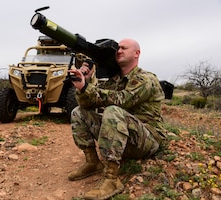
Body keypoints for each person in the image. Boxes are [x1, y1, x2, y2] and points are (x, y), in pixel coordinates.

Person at [68, 38, 166, 200]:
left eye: (124, 48)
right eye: (117, 48)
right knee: (78, 112)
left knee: (113, 110)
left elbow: (123, 100)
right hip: (125, 137)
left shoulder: (146, 79)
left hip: (147, 139)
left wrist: (88, 88)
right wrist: (85, 81)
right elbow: (89, 102)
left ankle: (112, 178)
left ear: (136, 53)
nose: (118, 51)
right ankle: (93, 162)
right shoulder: (114, 81)